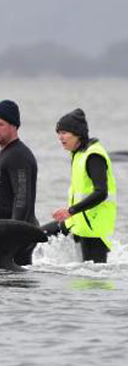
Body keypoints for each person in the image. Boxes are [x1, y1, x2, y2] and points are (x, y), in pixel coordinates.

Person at [45, 108, 116, 263]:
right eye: (58, 132)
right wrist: (70, 212)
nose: (60, 137)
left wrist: (71, 210)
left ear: (78, 134)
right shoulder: (78, 154)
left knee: (92, 279)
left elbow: (101, 192)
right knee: (37, 235)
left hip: (93, 228)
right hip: (77, 221)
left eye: (64, 132)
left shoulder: (93, 156)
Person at [0, 100, 39, 265]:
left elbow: (22, 197)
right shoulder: (7, 153)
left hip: (16, 236)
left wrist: (13, 235)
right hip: (6, 232)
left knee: (15, 287)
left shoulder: (18, 155)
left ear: (14, 126)